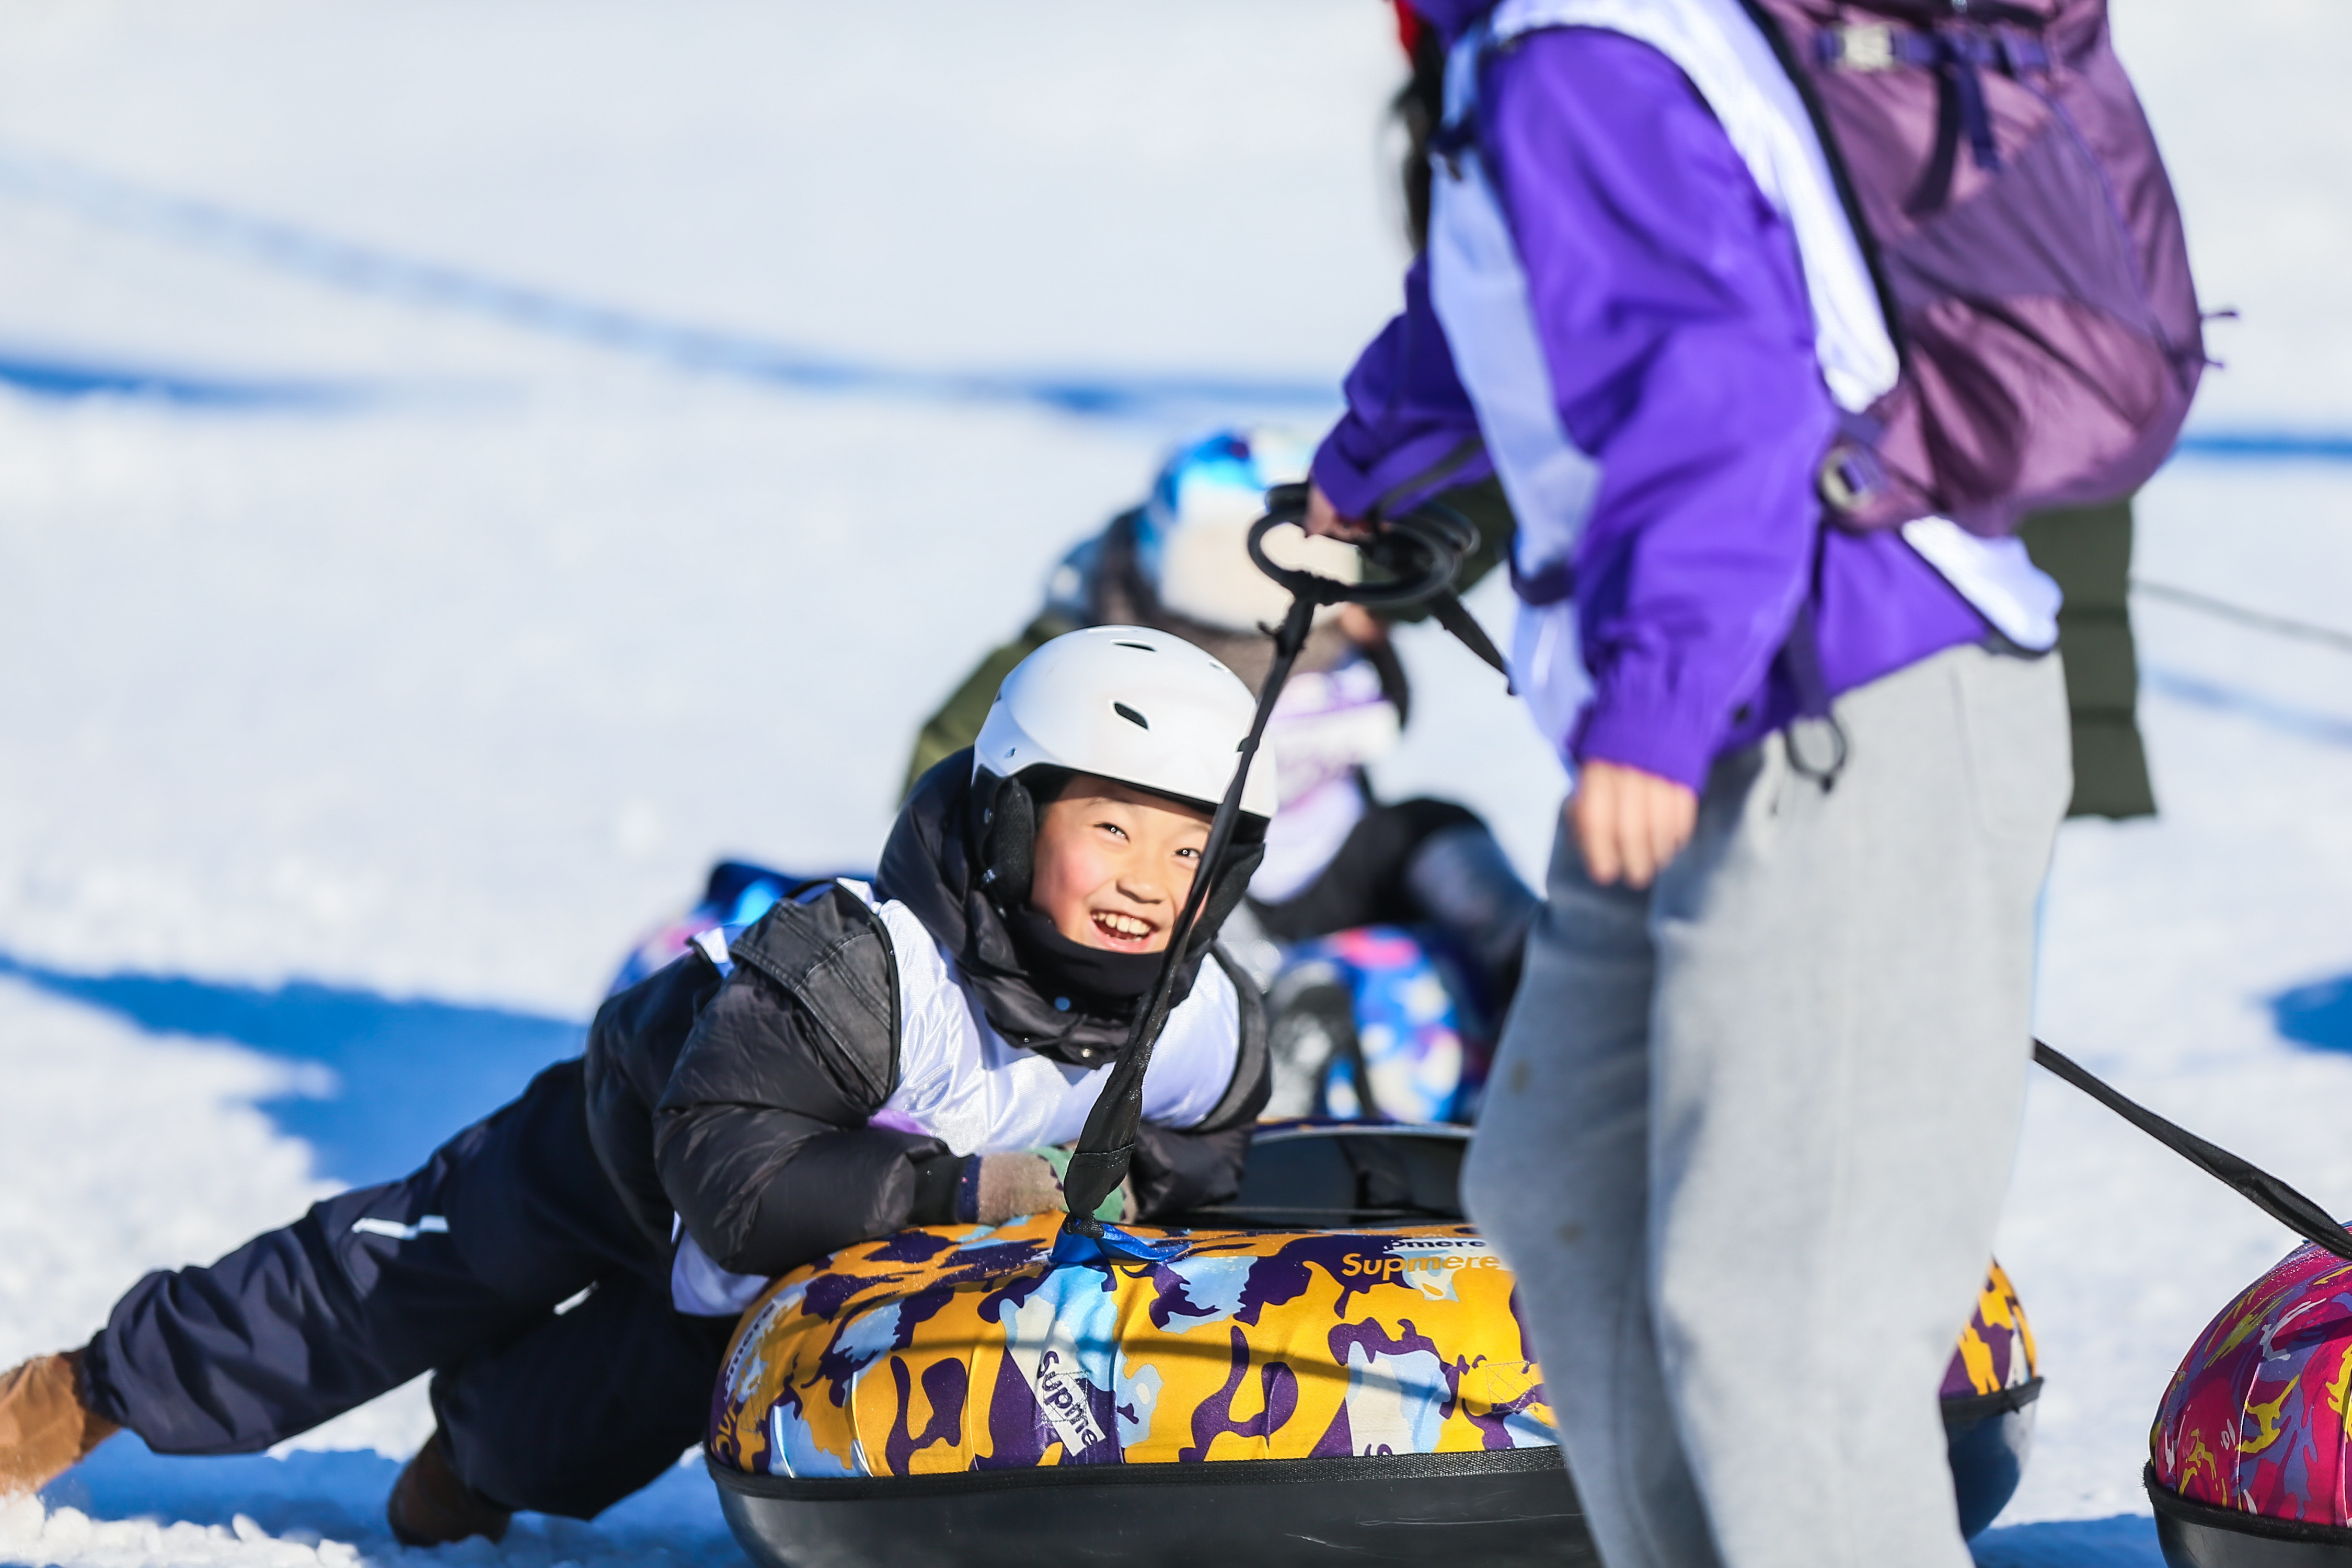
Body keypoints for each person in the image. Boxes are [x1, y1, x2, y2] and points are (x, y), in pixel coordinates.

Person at [1307, 6, 2074, 1567]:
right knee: (1565, 1189)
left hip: (1836, 701)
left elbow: (1727, 395)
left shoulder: (1582, 54)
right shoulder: (1510, 65)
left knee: (1785, 1321)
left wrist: (1653, 718)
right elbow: (1506, 307)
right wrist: (1359, 465)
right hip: (1708, 705)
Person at [0, 627, 1271, 1541]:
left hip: (768, 1284)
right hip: (621, 1155)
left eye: (1186, 848)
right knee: (395, 1274)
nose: (1145, 881)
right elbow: (732, 1175)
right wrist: (968, 1186)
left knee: (585, 1430)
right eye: (1107, 829)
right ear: (1007, 817)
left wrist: (1143, 1186)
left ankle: (471, 1463)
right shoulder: (867, 963)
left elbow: (1197, 1169)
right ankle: (82, 1391)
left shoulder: (1204, 1022)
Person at [907, 428, 1539, 1059]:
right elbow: (959, 757)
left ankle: (1535, 971)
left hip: (1339, 856)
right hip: (1202, 873)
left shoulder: (1351, 602)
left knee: (1440, 833)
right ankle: (1241, 1027)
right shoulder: (1102, 643)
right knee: (1192, 890)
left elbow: (1486, 497)